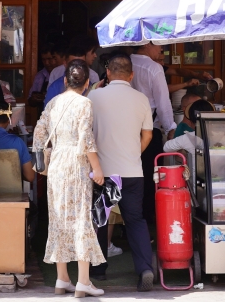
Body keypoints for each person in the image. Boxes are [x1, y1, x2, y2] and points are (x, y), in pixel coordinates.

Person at [33, 60, 105, 297]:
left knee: (59, 220)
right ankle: (83, 281)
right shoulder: (85, 103)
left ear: (64, 81)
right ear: (86, 84)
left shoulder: (54, 102)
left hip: (57, 163)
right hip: (76, 162)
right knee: (82, 219)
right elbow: (86, 138)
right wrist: (97, 169)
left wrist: (43, 158)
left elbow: (39, 131)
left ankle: (62, 278)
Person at [88, 55, 155, 291]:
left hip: (104, 172)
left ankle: (98, 269)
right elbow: (148, 135)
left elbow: (87, 131)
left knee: (101, 220)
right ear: (132, 75)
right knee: (136, 220)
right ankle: (145, 268)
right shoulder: (141, 99)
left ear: (107, 73)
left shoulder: (94, 96)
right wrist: (134, 153)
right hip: (133, 171)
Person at [130, 43, 176, 222]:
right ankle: (145, 220)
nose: (161, 50)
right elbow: (163, 103)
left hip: (126, 130)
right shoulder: (153, 68)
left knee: (130, 176)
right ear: (147, 44)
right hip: (149, 130)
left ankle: (128, 222)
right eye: (159, 45)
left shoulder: (125, 62)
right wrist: (170, 127)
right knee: (149, 178)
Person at [43, 36, 101, 107]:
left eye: (81, 64)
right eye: (73, 64)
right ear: (65, 64)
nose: (77, 67)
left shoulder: (91, 86)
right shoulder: (54, 87)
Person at [0, 113, 35, 183]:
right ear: (8, 120)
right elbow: (30, 176)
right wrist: (17, 173)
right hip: (13, 192)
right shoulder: (17, 142)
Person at [27, 45, 61, 114]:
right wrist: (34, 98)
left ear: (55, 58)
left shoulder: (62, 74)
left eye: (49, 59)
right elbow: (30, 102)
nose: (46, 63)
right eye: (44, 60)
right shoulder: (40, 76)